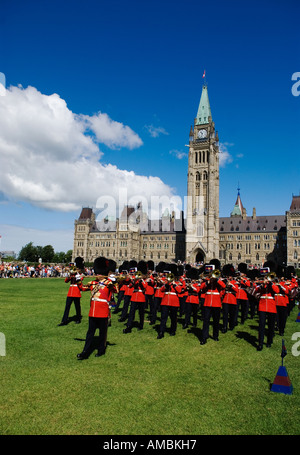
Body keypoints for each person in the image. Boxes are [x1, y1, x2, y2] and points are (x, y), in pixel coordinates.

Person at [77, 275, 117, 359]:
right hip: (93, 311)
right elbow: (82, 288)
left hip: (103, 311)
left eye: (99, 273)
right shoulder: (92, 283)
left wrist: (113, 283)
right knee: (90, 333)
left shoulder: (108, 283)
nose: (97, 275)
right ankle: (85, 352)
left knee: (102, 333)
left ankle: (101, 350)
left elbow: (116, 290)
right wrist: (78, 280)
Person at [200, 271, 226, 345]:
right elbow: (201, 287)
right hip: (207, 302)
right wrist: (208, 281)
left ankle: (215, 335)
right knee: (206, 321)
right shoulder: (207, 280)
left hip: (216, 303)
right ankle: (204, 337)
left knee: (216, 321)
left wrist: (217, 280)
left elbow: (224, 286)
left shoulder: (219, 281)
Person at [255, 274, 280, 351]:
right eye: (266, 277)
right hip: (262, 306)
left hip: (271, 306)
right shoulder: (262, 283)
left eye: (268, 277)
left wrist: (270, 283)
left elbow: (277, 291)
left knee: (271, 325)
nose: (267, 279)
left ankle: (269, 341)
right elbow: (256, 289)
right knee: (261, 325)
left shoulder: (273, 284)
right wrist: (262, 285)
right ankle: (260, 343)